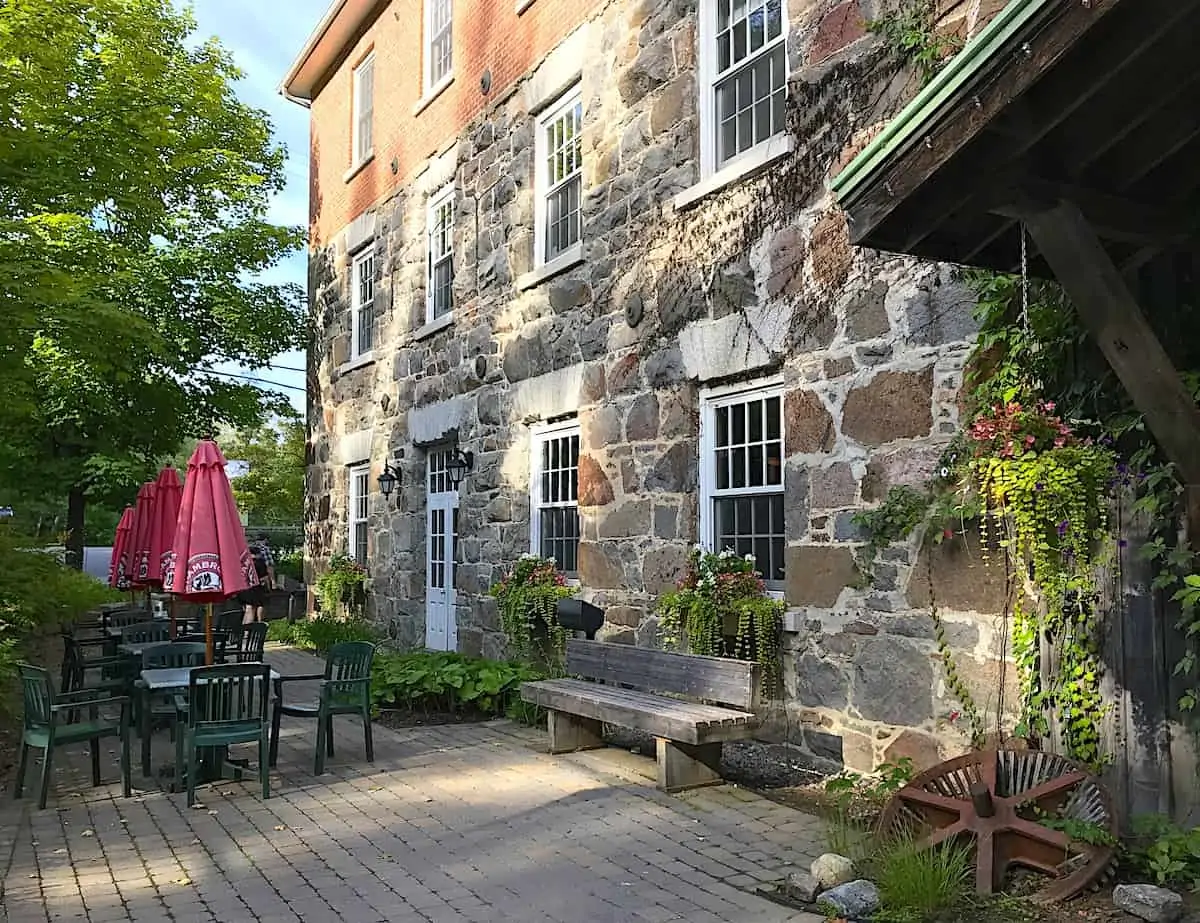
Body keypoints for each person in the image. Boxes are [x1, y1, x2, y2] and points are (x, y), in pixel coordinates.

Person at [238, 533, 276, 625]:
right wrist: (271, 584)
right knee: (257, 606)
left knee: (248, 609)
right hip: (256, 588)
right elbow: (265, 575)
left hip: (243, 588)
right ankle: (258, 626)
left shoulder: (242, 561)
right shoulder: (259, 562)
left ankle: (244, 631)